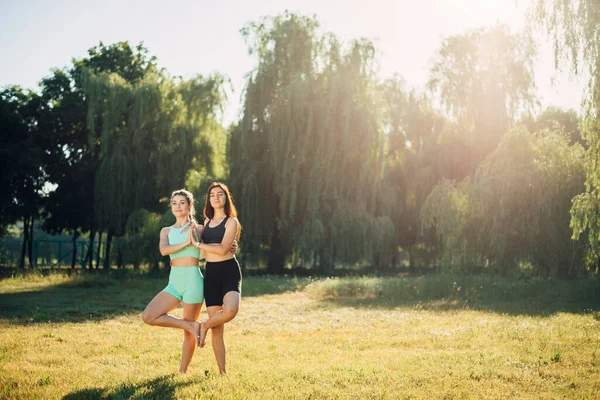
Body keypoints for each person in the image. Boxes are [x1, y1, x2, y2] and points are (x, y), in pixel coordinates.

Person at [142, 189, 236, 373]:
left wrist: (234, 245)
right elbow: (164, 250)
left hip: (193, 282)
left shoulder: (200, 229)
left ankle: (182, 371)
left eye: (182, 203)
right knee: (149, 316)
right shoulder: (166, 231)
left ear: (190, 206)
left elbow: (218, 243)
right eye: (174, 203)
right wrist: (186, 243)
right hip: (174, 283)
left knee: (188, 336)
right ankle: (190, 325)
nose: (178, 206)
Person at [191, 182, 242, 375]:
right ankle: (222, 372)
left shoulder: (231, 222)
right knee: (218, 328)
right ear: (209, 200)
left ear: (225, 198)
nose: (216, 197)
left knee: (230, 310)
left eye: (220, 194)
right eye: (212, 195)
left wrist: (199, 244)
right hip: (211, 274)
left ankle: (204, 325)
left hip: (228, 271)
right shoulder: (206, 223)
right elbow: (194, 243)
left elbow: (222, 250)